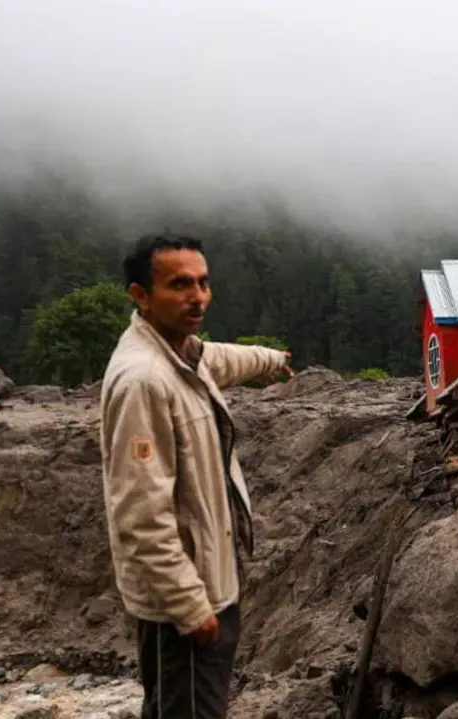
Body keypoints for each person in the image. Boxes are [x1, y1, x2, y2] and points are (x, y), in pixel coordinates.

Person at [100, 234, 293, 719]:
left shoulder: (181, 354)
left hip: (211, 584)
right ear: (141, 296)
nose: (198, 296)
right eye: (180, 284)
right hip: (183, 610)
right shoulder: (144, 380)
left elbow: (220, 358)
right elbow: (140, 516)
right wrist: (189, 607)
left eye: (203, 282)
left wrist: (271, 360)